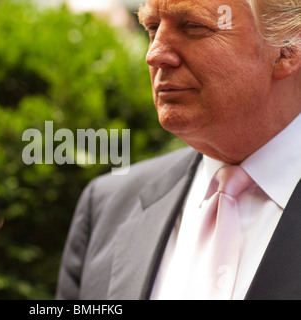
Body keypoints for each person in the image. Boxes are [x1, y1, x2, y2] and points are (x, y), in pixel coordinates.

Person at [56, 0, 301, 300]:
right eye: (152, 27)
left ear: (289, 49)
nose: (154, 54)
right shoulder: (108, 206)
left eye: (193, 26)